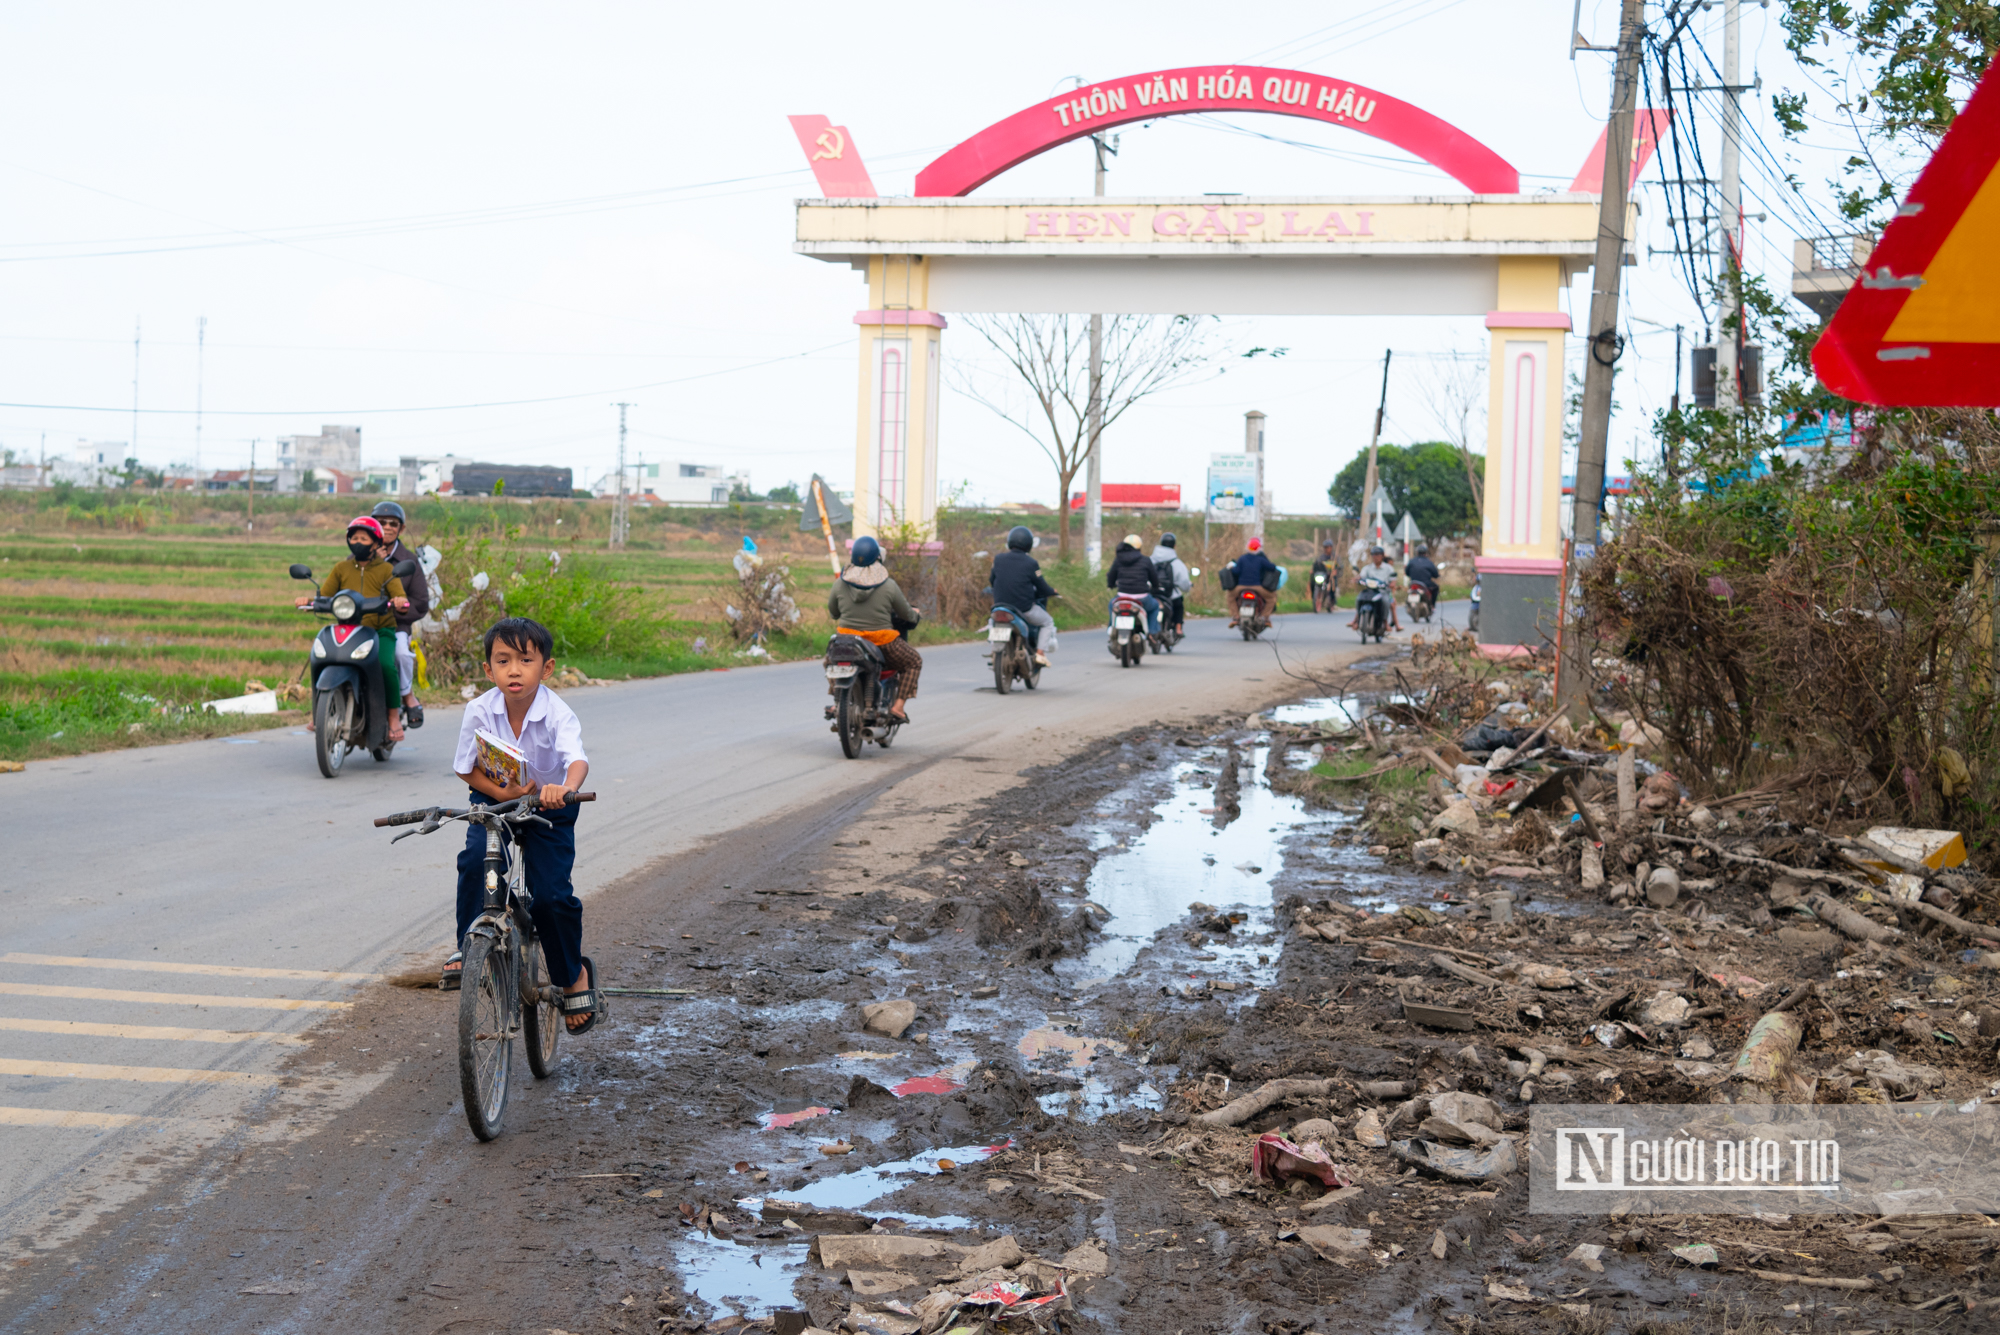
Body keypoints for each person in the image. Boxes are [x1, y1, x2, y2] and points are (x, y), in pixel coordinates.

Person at [443, 617, 601, 1034]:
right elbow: (465, 769)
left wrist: (564, 788)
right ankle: (468, 946)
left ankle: (572, 975)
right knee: (476, 860)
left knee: (552, 897)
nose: (514, 670)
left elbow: (577, 760)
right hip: (496, 801)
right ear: (488, 670)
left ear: (545, 669)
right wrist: (500, 795)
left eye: (525, 660)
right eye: (503, 660)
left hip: (552, 806)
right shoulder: (478, 710)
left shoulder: (556, 713)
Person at [295, 515, 409, 742]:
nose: (358, 542)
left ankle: (393, 716)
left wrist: (398, 601)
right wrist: (309, 600)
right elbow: (325, 596)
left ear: (376, 542)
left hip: (379, 631)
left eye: (364, 538)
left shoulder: (386, 570)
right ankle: (318, 711)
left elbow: (400, 596)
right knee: (321, 657)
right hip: (349, 631)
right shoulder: (341, 568)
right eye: (354, 537)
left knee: (387, 665)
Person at [827, 535, 922, 724]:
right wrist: (915, 614)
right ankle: (898, 707)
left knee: (831, 662)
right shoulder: (888, 585)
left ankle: (838, 703)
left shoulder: (840, 583)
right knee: (914, 662)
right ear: (878, 558)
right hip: (883, 642)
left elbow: (833, 613)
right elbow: (907, 615)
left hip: (847, 641)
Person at [371, 500, 430, 729]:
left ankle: (406, 694)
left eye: (392, 523)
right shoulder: (360, 557)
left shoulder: (409, 560)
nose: (386, 527)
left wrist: (399, 608)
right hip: (363, 626)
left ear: (401, 528)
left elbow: (421, 602)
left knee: (401, 655)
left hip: (396, 626)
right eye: (380, 522)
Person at [989, 526, 1057, 666]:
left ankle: (994, 652)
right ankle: (1040, 653)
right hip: (1023, 610)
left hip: (1000, 607)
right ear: (1029, 545)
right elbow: (1041, 586)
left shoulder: (998, 559)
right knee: (1048, 622)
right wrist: (1052, 592)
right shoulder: (1031, 563)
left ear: (1009, 542)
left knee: (992, 622)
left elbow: (992, 579)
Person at [1105, 532, 1163, 637]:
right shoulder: (1145, 560)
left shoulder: (1118, 560)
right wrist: (1156, 586)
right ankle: (1152, 632)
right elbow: (1154, 578)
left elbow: (1111, 576)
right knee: (1155, 606)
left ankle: (1111, 627)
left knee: (1111, 605)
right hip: (1142, 598)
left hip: (1122, 597)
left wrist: (1110, 584)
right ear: (1139, 547)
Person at [1229, 536, 1278, 628]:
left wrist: (1231, 567)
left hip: (1241, 587)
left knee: (1231, 597)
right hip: (1257, 587)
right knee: (1271, 598)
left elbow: (1236, 571)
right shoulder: (1261, 559)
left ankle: (1236, 616)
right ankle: (1264, 617)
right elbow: (1272, 567)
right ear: (1259, 548)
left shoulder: (1242, 559)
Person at [1354, 544, 1403, 633]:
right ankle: (1356, 621)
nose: (1376, 557)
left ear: (1382, 556)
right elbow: (1361, 576)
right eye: (1374, 555)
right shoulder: (1367, 568)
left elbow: (1393, 580)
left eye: (1378, 555)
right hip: (1370, 591)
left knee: (1385, 601)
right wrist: (1357, 579)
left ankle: (1384, 622)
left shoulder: (1388, 568)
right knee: (1359, 598)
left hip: (1383, 592)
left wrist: (1391, 584)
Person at [1151, 532, 1192, 635]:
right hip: (1170, 595)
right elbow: (1184, 582)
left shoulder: (1151, 560)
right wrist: (1187, 588)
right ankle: (1178, 628)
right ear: (1174, 546)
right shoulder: (1177, 563)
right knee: (1179, 606)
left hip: (1153, 593)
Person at [1405, 543, 1441, 615]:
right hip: (1426, 584)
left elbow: (1407, 572)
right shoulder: (1429, 562)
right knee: (1436, 588)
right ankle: (1433, 606)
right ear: (1426, 553)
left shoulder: (1412, 561)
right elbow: (1435, 574)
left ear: (1417, 552)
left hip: (1413, 583)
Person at [1310, 540, 1340, 613]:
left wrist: (1336, 571)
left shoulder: (1335, 557)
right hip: (1323, 575)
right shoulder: (1321, 557)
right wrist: (1312, 570)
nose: (1327, 549)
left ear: (1331, 548)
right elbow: (1316, 565)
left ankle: (1332, 601)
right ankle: (1315, 598)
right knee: (1313, 582)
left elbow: (1339, 567)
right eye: (1325, 547)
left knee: (1332, 586)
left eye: (1328, 547)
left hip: (1331, 576)